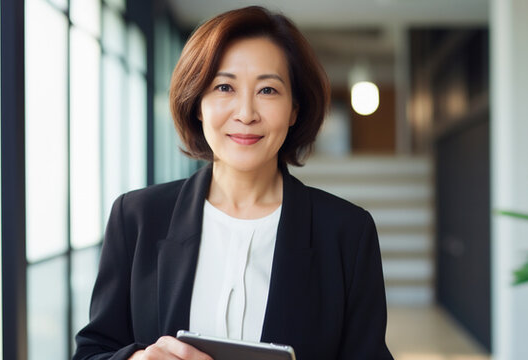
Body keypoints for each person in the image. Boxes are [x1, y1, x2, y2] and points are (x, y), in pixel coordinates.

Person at [72, 6, 393, 360]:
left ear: (294, 110)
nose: (245, 113)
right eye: (224, 87)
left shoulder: (347, 232)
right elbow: (93, 351)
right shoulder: (137, 217)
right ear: (198, 103)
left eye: (268, 90)